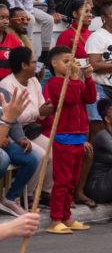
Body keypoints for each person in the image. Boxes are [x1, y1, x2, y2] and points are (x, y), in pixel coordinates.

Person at [41, 46, 96, 233]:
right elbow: (71, 98)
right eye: (66, 61)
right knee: (62, 180)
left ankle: (66, 217)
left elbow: (90, 98)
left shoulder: (75, 81)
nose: (71, 65)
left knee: (73, 180)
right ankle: (55, 220)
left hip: (79, 136)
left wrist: (87, 78)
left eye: (72, 61)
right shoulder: (55, 83)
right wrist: (75, 78)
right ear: (54, 64)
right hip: (64, 137)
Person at [0, 47, 54, 204]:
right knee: (40, 155)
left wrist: (45, 110)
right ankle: (27, 196)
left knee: (52, 149)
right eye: (33, 62)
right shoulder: (6, 85)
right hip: (10, 132)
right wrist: (38, 112)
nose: (37, 65)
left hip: (28, 130)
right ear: (23, 65)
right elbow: (13, 117)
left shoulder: (34, 81)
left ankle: (44, 192)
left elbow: (40, 111)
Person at [0, 2, 22, 79]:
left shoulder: (14, 39)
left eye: (7, 18)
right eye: (1, 18)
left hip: (7, 85)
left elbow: (20, 62)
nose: (6, 22)